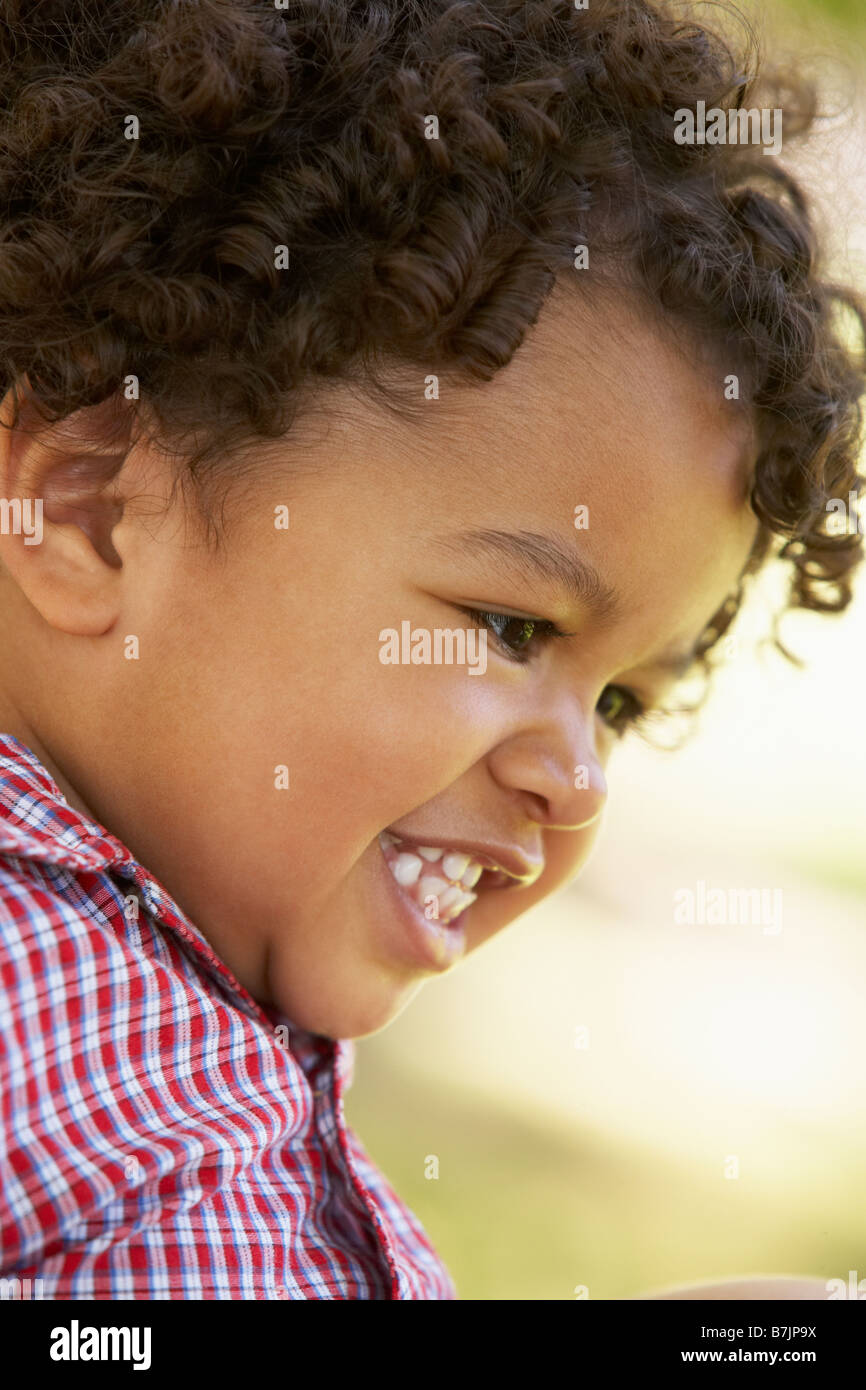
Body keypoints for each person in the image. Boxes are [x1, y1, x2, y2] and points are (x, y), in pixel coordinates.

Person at [0, 0, 862, 1299]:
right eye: (514, 626)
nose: (578, 780)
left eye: (621, 702)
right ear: (90, 518)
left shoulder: (156, 1001)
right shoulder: (48, 1013)